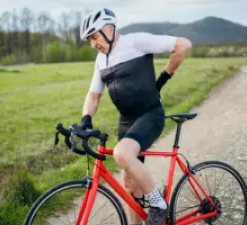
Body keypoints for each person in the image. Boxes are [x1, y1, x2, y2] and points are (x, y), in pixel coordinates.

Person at [78, 8, 192, 225]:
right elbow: (93, 95)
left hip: (150, 114)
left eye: (94, 37)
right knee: (130, 182)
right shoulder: (100, 60)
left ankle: (158, 204)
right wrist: (86, 119)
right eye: (89, 40)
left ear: (109, 29)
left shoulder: (136, 41)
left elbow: (183, 45)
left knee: (121, 154)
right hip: (127, 121)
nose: (93, 44)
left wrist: (164, 77)